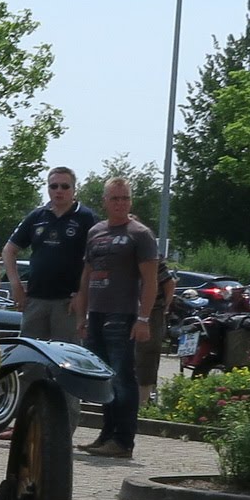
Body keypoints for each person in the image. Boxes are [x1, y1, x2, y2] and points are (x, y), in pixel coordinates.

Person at [0, 166, 98, 440]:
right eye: (53, 186)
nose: (59, 192)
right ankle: (24, 425)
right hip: (36, 302)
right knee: (30, 366)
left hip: (67, 304)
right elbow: (9, 249)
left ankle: (64, 432)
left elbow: (95, 261)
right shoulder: (38, 216)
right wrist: (16, 285)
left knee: (67, 368)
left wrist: (82, 294)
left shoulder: (87, 219)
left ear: (74, 189)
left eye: (64, 186)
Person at [75, 177, 158, 459]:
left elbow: (150, 280)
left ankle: (124, 441)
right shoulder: (95, 232)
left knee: (123, 378)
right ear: (105, 201)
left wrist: (144, 318)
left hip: (123, 314)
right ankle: (106, 435)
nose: (121, 203)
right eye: (115, 198)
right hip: (96, 313)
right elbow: (86, 274)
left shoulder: (140, 234)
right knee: (104, 378)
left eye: (125, 198)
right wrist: (82, 315)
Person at [136, 254, 176, 404]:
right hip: (128, 310)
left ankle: (144, 400)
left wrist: (163, 307)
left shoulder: (152, 259)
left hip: (152, 312)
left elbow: (169, 284)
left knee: (146, 354)